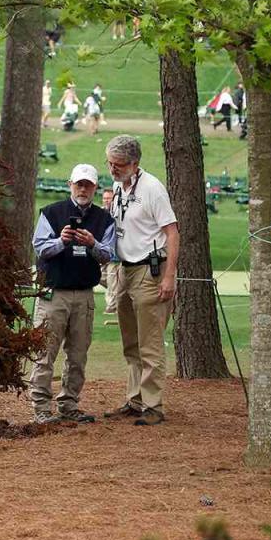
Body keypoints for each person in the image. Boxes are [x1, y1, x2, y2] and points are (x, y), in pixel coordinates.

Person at [29, 164, 116, 424]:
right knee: (45, 353)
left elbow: (109, 255)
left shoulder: (104, 219)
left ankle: (69, 404)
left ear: (95, 188)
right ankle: (41, 408)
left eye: (88, 185)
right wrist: (62, 241)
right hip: (53, 293)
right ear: (70, 184)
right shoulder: (52, 213)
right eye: (79, 184)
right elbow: (40, 248)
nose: (83, 189)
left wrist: (92, 244)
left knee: (78, 354)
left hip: (84, 295)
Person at [103, 135, 179, 426]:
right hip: (124, 268)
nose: (113, 169)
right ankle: (134, 399)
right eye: (110, 163)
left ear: (135, 164)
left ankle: (153, 405)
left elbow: (172, 232)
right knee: (130, 341)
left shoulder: (152, 189)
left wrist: (169, 276)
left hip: (150, 269)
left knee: (149, 341)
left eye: (119, 164)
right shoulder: (118, 187)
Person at [100, 188, 120, 316]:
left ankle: (112, 307)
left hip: (115, 256)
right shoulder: (100, 214)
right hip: (101, 253)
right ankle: (119, 292)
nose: (107, 200)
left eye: (109, 198)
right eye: (105, 198)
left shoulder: (118, 213)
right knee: (100, 277)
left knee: (112, 280)